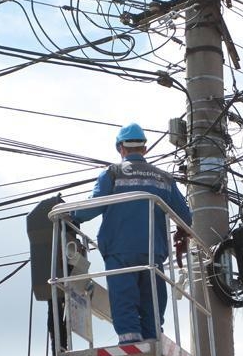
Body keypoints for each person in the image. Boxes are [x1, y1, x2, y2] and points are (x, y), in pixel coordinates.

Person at [72, 123, 192, 344]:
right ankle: (153, 342)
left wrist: (70, 215)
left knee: (124, 299)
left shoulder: (113, 174)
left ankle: (129, 343)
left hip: (120, 252)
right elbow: (186, 217)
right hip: (153, 252)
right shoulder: (164, 179)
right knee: (152, 301)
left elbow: (92, 207)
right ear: (144, 149)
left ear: (121, 148)